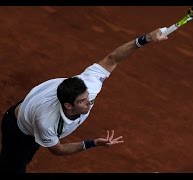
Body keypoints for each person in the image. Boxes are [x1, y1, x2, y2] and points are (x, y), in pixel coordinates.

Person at [0, 27, 168, 173]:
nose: (89, 102)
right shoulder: (47, 122)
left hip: (32, 113)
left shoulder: (88, 86)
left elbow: (113, 58)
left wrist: (145, 39)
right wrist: (92, 143)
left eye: (87, 96)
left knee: (24, 158)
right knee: (13, 166)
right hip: (18, 130)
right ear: (68, 105)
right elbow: (58, 150)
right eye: (82, 101)